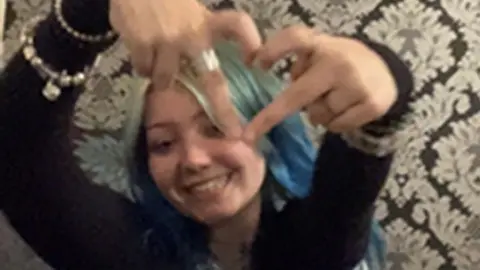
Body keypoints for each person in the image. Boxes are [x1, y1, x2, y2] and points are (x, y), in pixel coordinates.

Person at [0, 0, 414, 270]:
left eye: (216, 127)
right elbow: (15, 154)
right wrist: (89, 12)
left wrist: (383, 78)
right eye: (163, 143)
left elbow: (342, 207)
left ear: (272, 135)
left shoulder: (311, 244)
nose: (194, 159)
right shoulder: (137, 253)